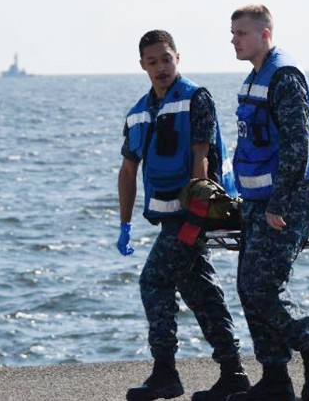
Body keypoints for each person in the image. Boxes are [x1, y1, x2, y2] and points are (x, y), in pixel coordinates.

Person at [117, 30, 248, 401]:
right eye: (153, 61)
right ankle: (233, 373)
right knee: (200, 290)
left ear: (178, 57)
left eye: (166, 59)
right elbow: (128, 170)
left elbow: (200, 158)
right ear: (142, 65)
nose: (161, 67)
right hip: (169, 218)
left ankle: (165, 373)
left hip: (196, 215)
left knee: (153, 280)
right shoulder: (138, 113)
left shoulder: (195, 99)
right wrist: (124, 224)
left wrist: (197, 216)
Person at [228, 4, 309, 401]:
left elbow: (298, 145)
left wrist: (279, 202)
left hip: (289, 196)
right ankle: (275, 378)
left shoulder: (284, 77)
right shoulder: (256, 77)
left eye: (241, 33)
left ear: (265, 34)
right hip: (259, 198)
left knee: (263, 286)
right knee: (247, 287)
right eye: (233, 33)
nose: (234, 40)